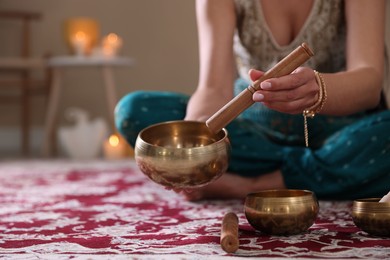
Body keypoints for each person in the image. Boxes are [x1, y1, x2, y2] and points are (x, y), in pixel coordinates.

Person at [115, 0, 390, 201]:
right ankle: (322, 173)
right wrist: (197, 142)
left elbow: (369, 84)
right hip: (255, 134)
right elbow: (213, 87)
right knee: (136, 110)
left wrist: (318, 88)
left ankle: (253, 184)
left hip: (341, 134)